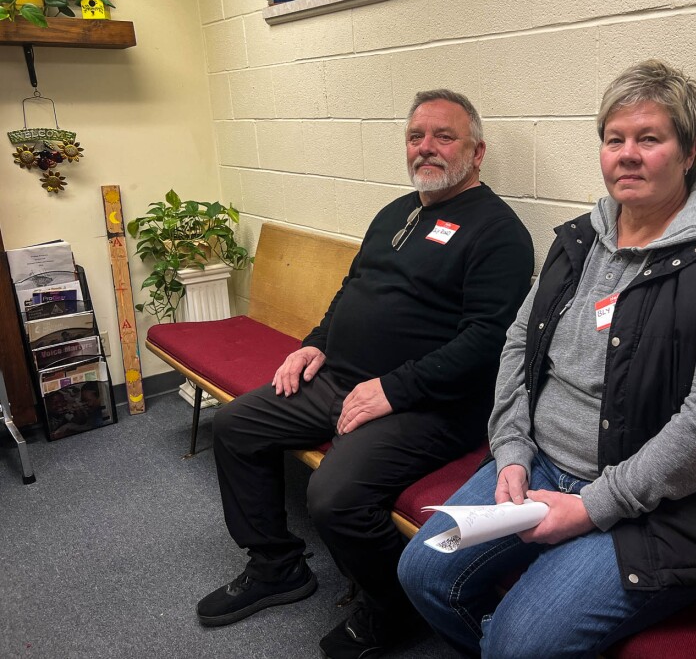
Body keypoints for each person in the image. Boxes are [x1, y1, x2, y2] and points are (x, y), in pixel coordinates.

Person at [398, 60, 696, 658]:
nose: (627, 155)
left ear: (690, 151)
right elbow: (518, 344)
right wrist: (511, 452)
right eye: (614, 139)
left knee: (518, 644)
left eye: (649, 139)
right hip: (539, 465)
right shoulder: (579, 241)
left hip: (661, 502)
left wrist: (589, 508)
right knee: (421, 572)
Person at [197, 89, 535, 658]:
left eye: (443, 136)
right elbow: (351, 291)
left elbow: (487, 343)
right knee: (236, 425)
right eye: (415, 136)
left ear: (477, 153)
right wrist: (314, 345)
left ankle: (392, 608)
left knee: (334, 496)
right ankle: (277, 566)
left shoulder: (499, 233)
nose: (425, 148)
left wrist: (393, 389)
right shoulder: (396, 213)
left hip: (431, 405)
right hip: (341, 379)